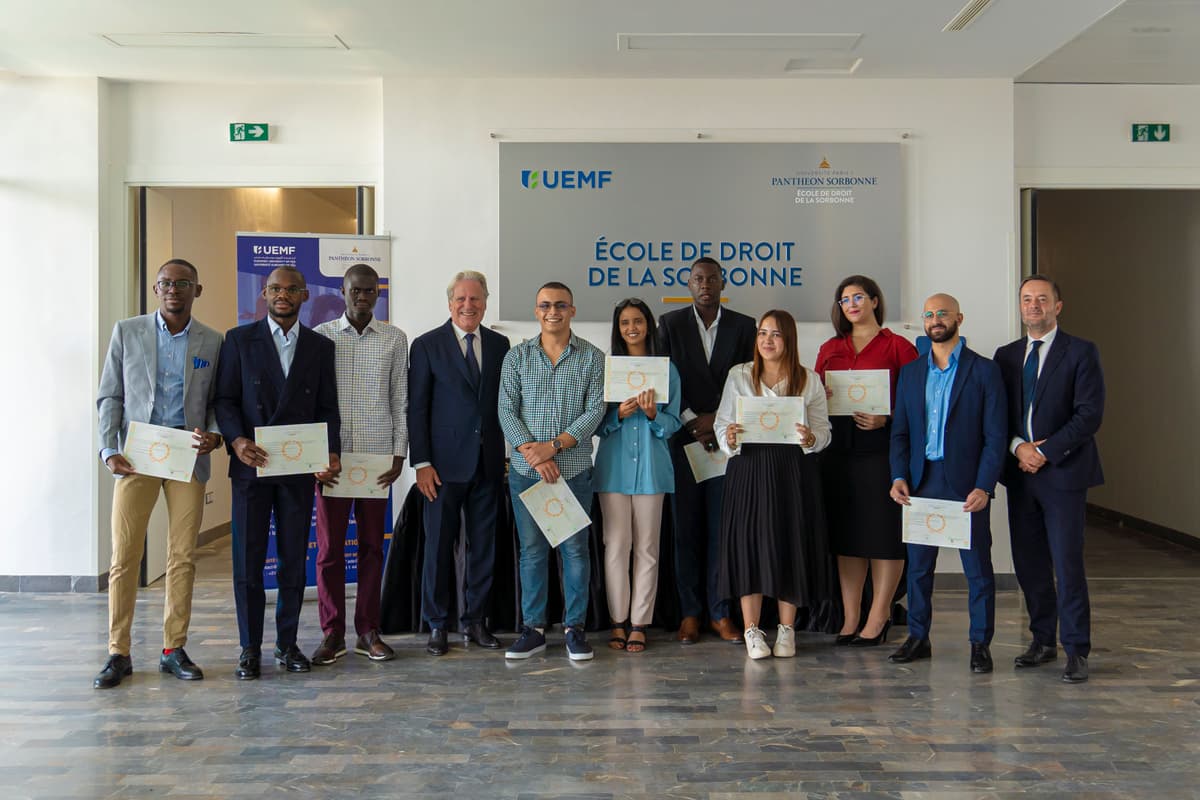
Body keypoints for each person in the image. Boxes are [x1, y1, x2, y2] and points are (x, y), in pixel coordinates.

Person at [93, 259, 224, 689]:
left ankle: (173, 649)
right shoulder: (127, 332)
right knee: (124, 556)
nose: (173, 289)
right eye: (166, 283)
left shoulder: (212, 341)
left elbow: (218, 400)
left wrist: (215, 435)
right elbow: (110, 395)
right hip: (137, 456)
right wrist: (109, 449)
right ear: (155, 289)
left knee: (182, 555)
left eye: (183, 283)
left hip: (187, 456)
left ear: (196, 290)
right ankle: (118, 652)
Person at [214, 265, 341, 680]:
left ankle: (287, 644)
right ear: (264, 294)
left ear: (304, 295)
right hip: (251, 467)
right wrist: (236, 441)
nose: (282, 295)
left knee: (292, 561)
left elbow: (327, 407)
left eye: (290, 289)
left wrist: (330, 451)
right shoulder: (239, 340)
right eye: (274, 289)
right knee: (248, 562)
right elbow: (224, 400)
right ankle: (249, 648)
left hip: (297, 471)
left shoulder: (320, 347)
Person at [888, 293, 1006, 673]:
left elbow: (995, 437)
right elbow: (900, 433)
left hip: (966, 485)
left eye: (942, 313)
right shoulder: (910, 373)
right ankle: (918, 637)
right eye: (929, 314)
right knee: (919, 569)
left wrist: (984, 486)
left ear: (959, 318)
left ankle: (980, 644)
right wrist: (898, 475)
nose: (935, 319)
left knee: (978, 571)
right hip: (921, 482)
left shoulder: (984, 371)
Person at [994, 275, 1104, 683]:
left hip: (1064, 474)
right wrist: (1018, 447)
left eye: (1042, 299)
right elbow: (997, 414)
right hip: (1020, 474)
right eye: (1027, 299)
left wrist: (1044, 451)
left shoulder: (1081, 352)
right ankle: (1043, 640)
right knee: (1030, 563)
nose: (1034, 305)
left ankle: (1076, 649)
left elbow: (1089, 414)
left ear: (1058, 306)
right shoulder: (1006, 356)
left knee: (1067, 563)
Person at [714, 309, 832, 660]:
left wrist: (811, 438)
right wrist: (728, 438)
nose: (767, 340)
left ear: (789, 340)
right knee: (748, 545)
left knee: (789, 543)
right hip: (748, 468)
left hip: (792, 471)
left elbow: (824, 430)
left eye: (776, 334)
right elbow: (722, 423)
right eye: (763, 333)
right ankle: (751, 629)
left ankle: (786, 629)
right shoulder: (739, 375)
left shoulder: (808, 380)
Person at [499, 282, 605, 661]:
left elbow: (595, 411)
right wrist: (537, 455)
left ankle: (575, 629)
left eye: (560, 305)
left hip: (573, 472)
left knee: (575, 551)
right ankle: (534, 630)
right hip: (527, 473)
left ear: (572, 311)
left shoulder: (593, 358)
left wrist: (554, 447)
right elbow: (506, 410)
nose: (553, 311)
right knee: (532, 552)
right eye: (545, 305)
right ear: (536, 311)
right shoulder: (517, 357)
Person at [408, 270, 510, 656]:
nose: (469, 305)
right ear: (450, 303)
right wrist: (422, 462)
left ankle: (476, 621)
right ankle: (437, 624)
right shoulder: (426, 345)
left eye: (476, 298)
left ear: (485, 302)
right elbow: (417, 408)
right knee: (438, 547)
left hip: (487, 463)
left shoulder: (500, 345)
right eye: (461, 299)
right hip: (441, 468)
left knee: (483, 546)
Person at [656, 257, 757, 645]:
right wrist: (691, 421)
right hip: (685, 440)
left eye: (712, 279)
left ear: (722, 283)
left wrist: (717, 419)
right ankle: (689, 613)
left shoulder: (744, 326)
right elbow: (664, 379)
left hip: (727, 440)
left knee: (721, 529)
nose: (705, 285)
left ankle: (720, 612)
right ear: (689, 283)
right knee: (686, 529)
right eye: (698, 279)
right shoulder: (670, 324)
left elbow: (750, 380)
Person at [310, 264, 407, 665]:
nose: (363, 296)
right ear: (343, 291)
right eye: (356, 290)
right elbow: (312, 398)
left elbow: (400, 398)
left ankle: (368, 630)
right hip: (332, 460)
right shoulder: (321, 336)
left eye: (370, 290)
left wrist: (399, 453)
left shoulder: (394, 339)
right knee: (330, 550)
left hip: (376, 459)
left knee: (371, 548)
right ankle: (332, 633)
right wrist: (316, 453)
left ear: (378, 293)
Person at [815, 276, 919, 647]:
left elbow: (917, 402)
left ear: (874, 301)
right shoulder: (830, 348)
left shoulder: (898, 347)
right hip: (837, 452)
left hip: (882, 451)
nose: (852, 304)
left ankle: (879, 615)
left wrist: (886, 418)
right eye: (844, 300)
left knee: (883, 535)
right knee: (847, 536)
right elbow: (814, 399)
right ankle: (851, 616)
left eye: (858, 297)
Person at [594, 299, 682, 653]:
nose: (632, 328)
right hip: (614, 469)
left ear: (649, 326)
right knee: (616, 545)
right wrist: (617, 415)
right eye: (625, 322)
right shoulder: (605, 368)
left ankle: (639, 623)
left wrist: (651, 414)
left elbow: (673, 422)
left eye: (638, 321)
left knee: (647, 548)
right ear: (618, 328)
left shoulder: (667, 370)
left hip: (652, 470)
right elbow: (595, 423)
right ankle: (617, 620)